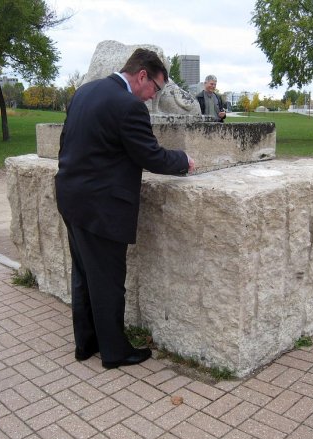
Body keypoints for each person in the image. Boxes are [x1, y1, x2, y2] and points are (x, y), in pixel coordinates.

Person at [55, 48, 195, 369]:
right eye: (156, 89)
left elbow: (67, 143)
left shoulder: (85, 92)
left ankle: (86, 344)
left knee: (84, 277)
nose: (152, 97)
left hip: (71, 199)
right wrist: (183, 160)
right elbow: (150, 155)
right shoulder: (128, 106)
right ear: (142, 75)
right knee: (107, 282)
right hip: (102, 208)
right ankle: (115, 352)